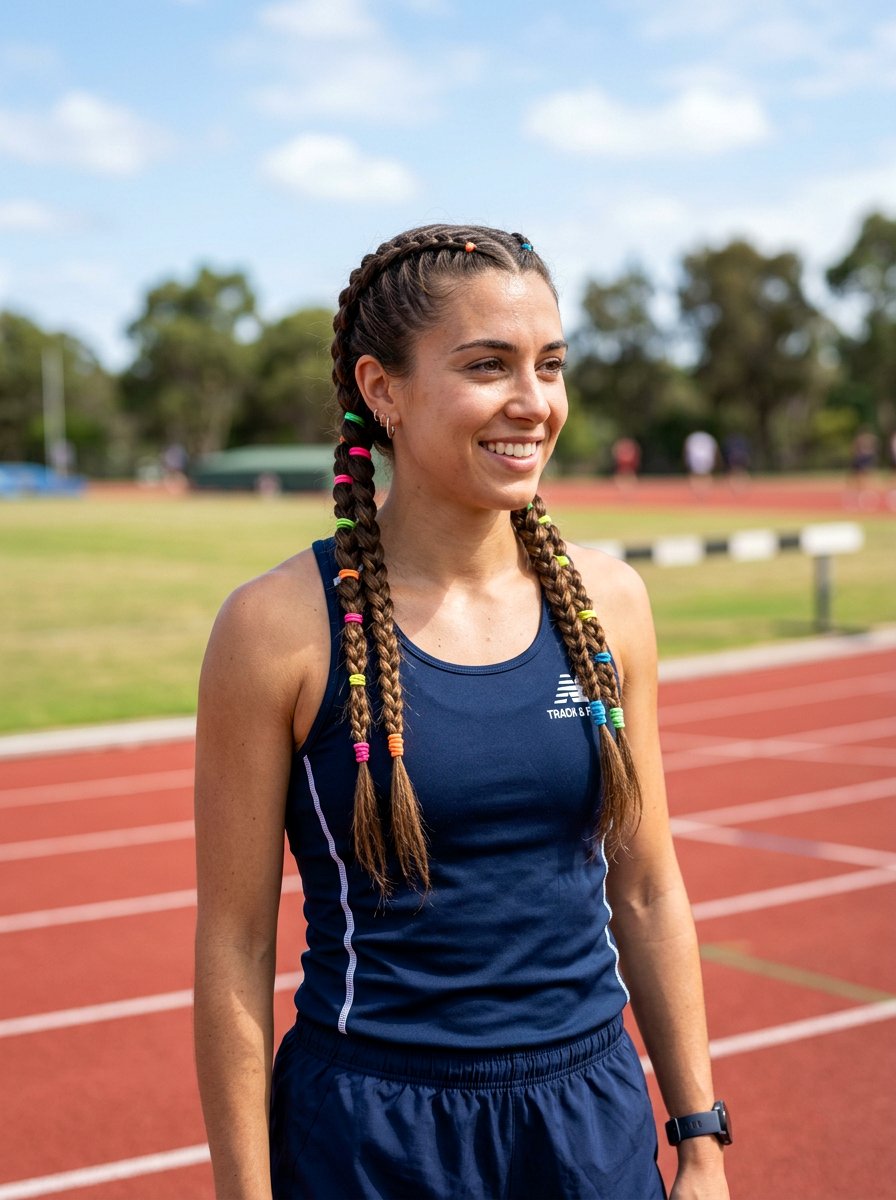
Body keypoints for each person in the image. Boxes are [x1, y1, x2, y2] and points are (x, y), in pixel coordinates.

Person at [193, 225, 730, 1200]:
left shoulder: (609, 604)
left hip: (588, 1123)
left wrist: (699, 1140)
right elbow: (236, 947)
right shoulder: (276, 629)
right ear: (382, 390)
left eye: (549, 365)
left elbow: (647, 887)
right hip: (372, 1134)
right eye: (488, 366)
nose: (533, 402)